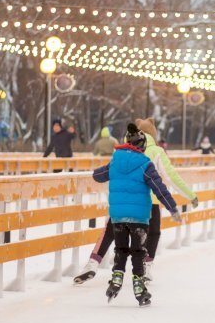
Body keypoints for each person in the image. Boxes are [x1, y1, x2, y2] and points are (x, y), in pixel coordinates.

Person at [76, 118, 198, 285]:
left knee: (110, 232)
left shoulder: (124, 151)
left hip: (121, 204)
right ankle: (146, 268)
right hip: (149, 204)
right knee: (152, 234)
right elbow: (171, 177)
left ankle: (93, 262)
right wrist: (189, 195)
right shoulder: (156, 152)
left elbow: (103, 173)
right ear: (153, 134)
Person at [92, 123, 182, 307]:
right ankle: (139, 284)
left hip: (118, 216)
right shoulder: (145, 165)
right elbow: (159, 188)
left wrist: (107, 170)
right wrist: (172, 207)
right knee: (138, 252)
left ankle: (117, 277)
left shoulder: (115, 161)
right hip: (140, 218)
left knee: (121, 249)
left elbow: (98, 175)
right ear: (141, 147)